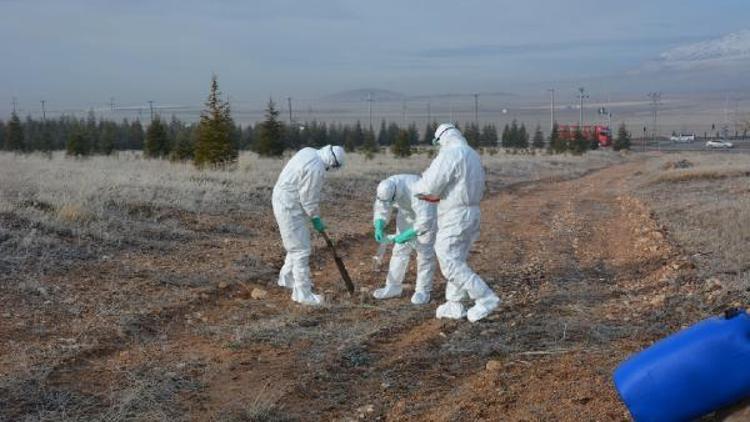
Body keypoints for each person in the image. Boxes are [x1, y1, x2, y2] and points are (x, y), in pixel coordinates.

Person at [412, 123, 500, 322]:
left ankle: (486, 297)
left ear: (441, 138)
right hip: (472, 212)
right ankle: (454, 303)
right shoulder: (473, 155)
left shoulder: (450, 154)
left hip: (455, 214)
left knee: (447, 259)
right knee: (457, 258)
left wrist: (418, 189)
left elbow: (429, 185)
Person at [272, 145, 345, 306]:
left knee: (298, 243)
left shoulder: (309, 151)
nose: (330, 169)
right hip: (289, 206)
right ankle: (302, 294)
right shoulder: (316, 169)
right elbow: (309, 200)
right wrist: (316, 219)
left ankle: (287, 279)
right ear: (332, 161)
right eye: (332, 167)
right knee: (300, 250)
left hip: (288, 202)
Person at [372, 174, 437, 305]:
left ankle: (422, 291)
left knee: (424, 253)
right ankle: (393, 286)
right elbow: (382, 207)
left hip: (427, 216)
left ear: (396, 193)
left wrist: (407, 235)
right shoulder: (386, 187)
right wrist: (379, 225)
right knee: (399, 251)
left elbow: (425, 221)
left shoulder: (419, 188)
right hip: (406, 214)